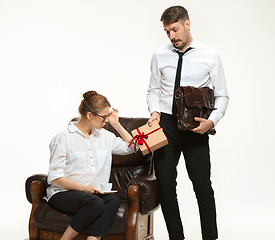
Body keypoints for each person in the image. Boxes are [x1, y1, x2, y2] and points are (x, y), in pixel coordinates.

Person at [147, 6, 229, 240]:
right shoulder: (159, 55)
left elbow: (222, 95)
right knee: (165, 187)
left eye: (175, 29)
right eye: (167, 32)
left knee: (203, 188)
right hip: (166, 127)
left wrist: (211, 123)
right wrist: (154, 111)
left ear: (187, 24)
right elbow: (153, 90)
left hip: (195, 126)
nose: (172, 36)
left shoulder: (210, 55)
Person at [45, 91, 135, 240]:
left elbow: (131, 147)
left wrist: (116, 124)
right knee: (96, 203)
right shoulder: (63, 138)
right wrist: (84, 188)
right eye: (104, 117)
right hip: (63, 193)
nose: (106, 120)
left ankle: (93, 239)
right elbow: (55, 177)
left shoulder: (105, 136)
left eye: (108, 116)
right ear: (89, 115)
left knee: (113, 201)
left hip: (92, 194)